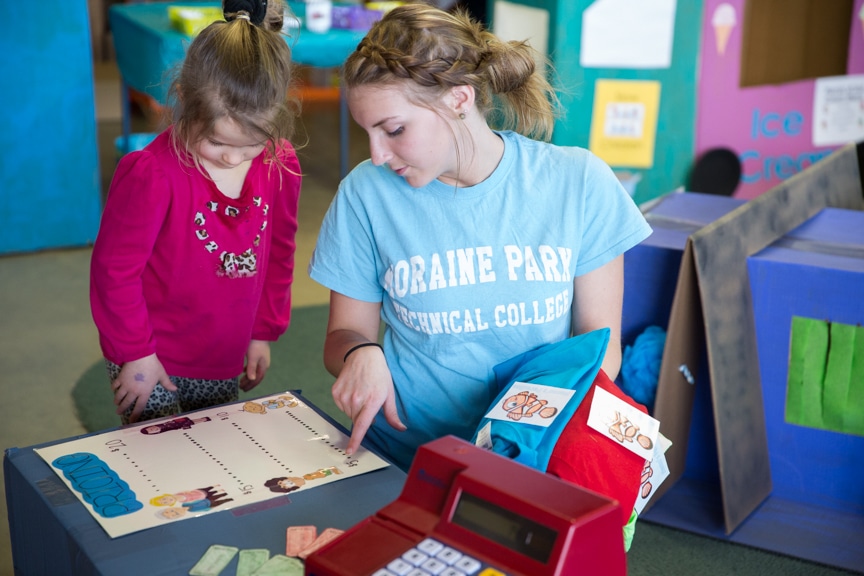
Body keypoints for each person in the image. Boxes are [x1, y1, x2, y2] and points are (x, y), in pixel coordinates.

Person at [308, 4, 652, 470]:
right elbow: (342, 336)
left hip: (527, 455)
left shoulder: (579, 182)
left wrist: (515, 442)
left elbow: (599, 346)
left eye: (393, 130)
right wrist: (360, 353)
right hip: (403, 459)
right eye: (368, 133)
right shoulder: (365, 195)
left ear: (459, 99)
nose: (377, 154)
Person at [90, 0, 302, 424]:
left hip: (223, 352)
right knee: (161, 463)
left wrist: (263, 331)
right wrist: (136, 353)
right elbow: (114, 272)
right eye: (218, 143)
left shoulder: (279, 163)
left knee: (210, 462)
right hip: (150, 352)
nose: (232, 158)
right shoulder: (151, 173)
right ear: (185, 101)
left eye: (250, 145)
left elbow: (279, 253)